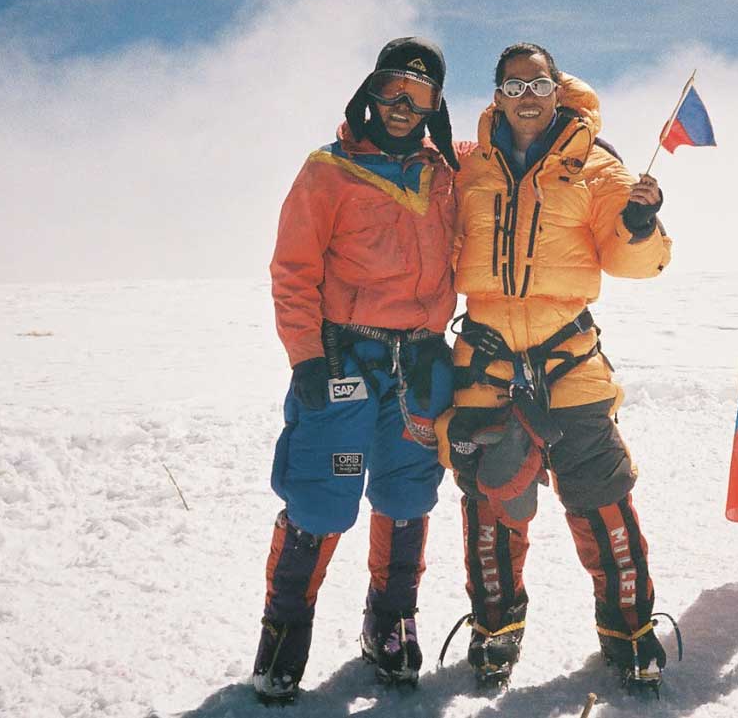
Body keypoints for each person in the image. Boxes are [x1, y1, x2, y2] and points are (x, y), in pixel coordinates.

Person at [435, 42, 677, 691]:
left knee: (603, 503)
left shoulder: (596, 165)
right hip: (484, 368)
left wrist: (641, 222)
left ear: (557, 87)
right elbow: (431, 233)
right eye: (513, 89)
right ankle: (495, 630)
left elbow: (634, 257)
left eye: (538, 85)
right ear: (496, 96)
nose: (527, 99)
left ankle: (630, 632)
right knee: (490, 507)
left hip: (569, 365)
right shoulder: (471, 169)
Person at [252, 37, 460, 702]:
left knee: (407, 495)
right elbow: (293, 271)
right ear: (370, 88)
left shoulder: (448, 173)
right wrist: (307, 357)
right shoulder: (329, 170)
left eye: (420, 94)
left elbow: (517, 143)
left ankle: (390, 624)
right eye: (393, 87)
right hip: (344, 361)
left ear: (436, 104)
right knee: (319, 494)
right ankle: (283, 635)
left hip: (420, 366)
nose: (403, 106)